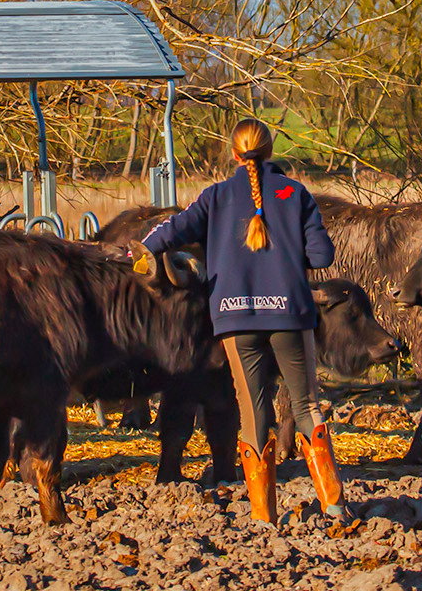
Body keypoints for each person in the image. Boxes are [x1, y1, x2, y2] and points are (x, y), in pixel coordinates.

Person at [140, 117, 342, 523]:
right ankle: (334, 506)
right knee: (306, 407)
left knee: (252, 412)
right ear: (271, 151)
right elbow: (323, 257)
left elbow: (168, 233)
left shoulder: (214, 197)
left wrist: (137, 254)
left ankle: (263, 515)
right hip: (290, 315)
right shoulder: (296, 194)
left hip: (234, 318)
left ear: (234, 154)